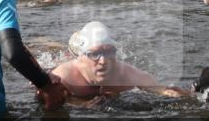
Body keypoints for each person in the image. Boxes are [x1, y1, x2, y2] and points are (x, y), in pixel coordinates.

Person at [51, 21, 190, 103]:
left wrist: (172, 93)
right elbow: (44, 98)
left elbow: (160, 89)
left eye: (109, 52)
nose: (104, 61)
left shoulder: (123, 73)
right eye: (95, 54)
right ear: (81, 57)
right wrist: (79, 103)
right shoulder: (65, 78)